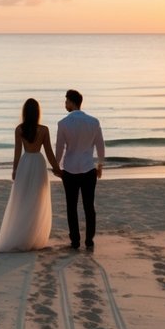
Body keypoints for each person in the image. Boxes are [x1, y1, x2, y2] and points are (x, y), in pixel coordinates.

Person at [0, 98, 61, 252]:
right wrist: (57, 169)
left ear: (25, 112)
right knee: (37, 200)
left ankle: (22, 236)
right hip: (38, 163)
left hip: (25, 164)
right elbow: (49, 152)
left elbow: (17, 153)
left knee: (23, 199)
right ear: (38, 112)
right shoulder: (44, 130)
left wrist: (15, 170)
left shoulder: (19, 129)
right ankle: (33, 237)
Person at [55, 89, 105, 251]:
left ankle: (75, 241)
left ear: (71, 101)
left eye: (66, 101)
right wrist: (100, 165)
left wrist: (56, 167)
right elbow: (100, 146)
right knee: (89, 206)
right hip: (88, 168)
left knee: (71, 206)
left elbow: (60, 149)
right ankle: (89, 240)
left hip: (69, 170)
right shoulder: (94, 122)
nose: (65, 104)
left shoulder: (63, 124)